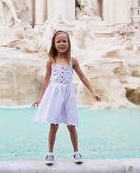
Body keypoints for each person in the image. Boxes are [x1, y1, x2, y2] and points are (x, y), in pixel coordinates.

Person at [32, 30, 101, 165]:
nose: (61, 44)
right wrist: (40, 98)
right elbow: (46, 79)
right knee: (54, 124)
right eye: (58, 41)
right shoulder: (51, 60)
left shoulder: (72, 61)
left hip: (68, 94)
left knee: (71, 124)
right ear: (54, 44)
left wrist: (92, 92)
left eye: (64, 41)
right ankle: (50, 153)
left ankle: (76, 152)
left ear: (69, 43)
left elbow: (82, 76)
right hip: (55, 94)